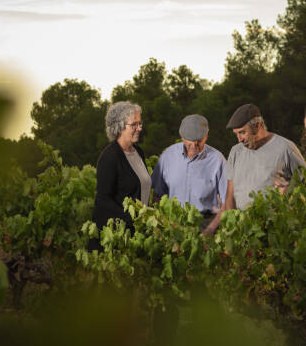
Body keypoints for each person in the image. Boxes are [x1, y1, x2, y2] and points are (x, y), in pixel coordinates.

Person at [203, 103, 306, 235]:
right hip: (242, 232)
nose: (239, 139)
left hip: (274, 231)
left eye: (242, 132)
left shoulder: (285, 148)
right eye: (236, 134)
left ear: (257, 126)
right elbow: (230, 195)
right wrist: (231, 227)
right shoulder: (235, 152)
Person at [89, 101, 150, 251]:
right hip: (117, 238)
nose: (139, 128)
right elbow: (103, 200)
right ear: (120, 126)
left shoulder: (139, 152)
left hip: (136, 234)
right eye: (134, 124)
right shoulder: (110, 157)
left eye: (140, 123)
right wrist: (133, 219)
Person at [151, 114, 227, 229]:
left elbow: (228, 201)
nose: (194, 145)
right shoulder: (167, 156)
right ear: (182, 137)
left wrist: (211, 229)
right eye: (190, 141)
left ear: (207, 135)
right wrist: (164, 222)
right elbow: (156, 195)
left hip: (206, 224)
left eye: (199, 140)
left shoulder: (218, 160)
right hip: (172, 224)